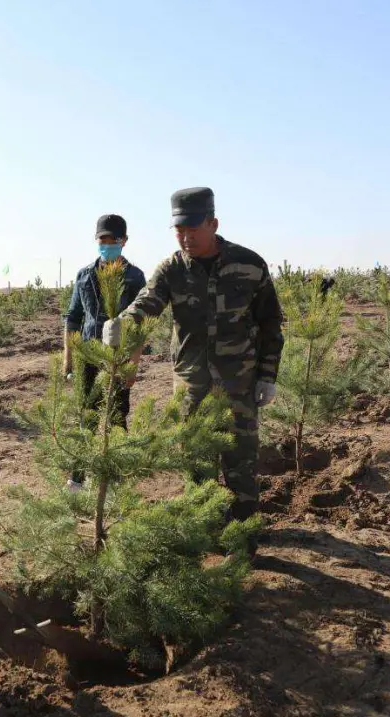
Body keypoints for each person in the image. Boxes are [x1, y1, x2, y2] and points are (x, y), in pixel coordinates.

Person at [103, 187, 284, 542]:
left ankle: (243, 542)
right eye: (178, 231)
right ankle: (202, 539)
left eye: (193, 230)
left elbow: (270, 325)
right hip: (191, 389)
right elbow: (146, 303)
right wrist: (123, 322)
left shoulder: (249, 265)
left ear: (213, 223)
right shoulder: (172, 269)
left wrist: (267, 376)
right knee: (196, 466)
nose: (185, 238)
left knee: (241, 467)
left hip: (239, 385)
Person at [62, 214, 146, 491]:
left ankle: (115, 480)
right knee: (86, 414)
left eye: (113, 240)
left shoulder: (134, 277)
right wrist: (68, 357)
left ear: (124, 241)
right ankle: (77, 478)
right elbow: (73, 317)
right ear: (96, 240)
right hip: (88, 354)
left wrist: (132, 363)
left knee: (118, 414)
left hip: (118, 357)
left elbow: (140, 324)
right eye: (103, 240)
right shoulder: (84, 275)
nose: (107, 245)